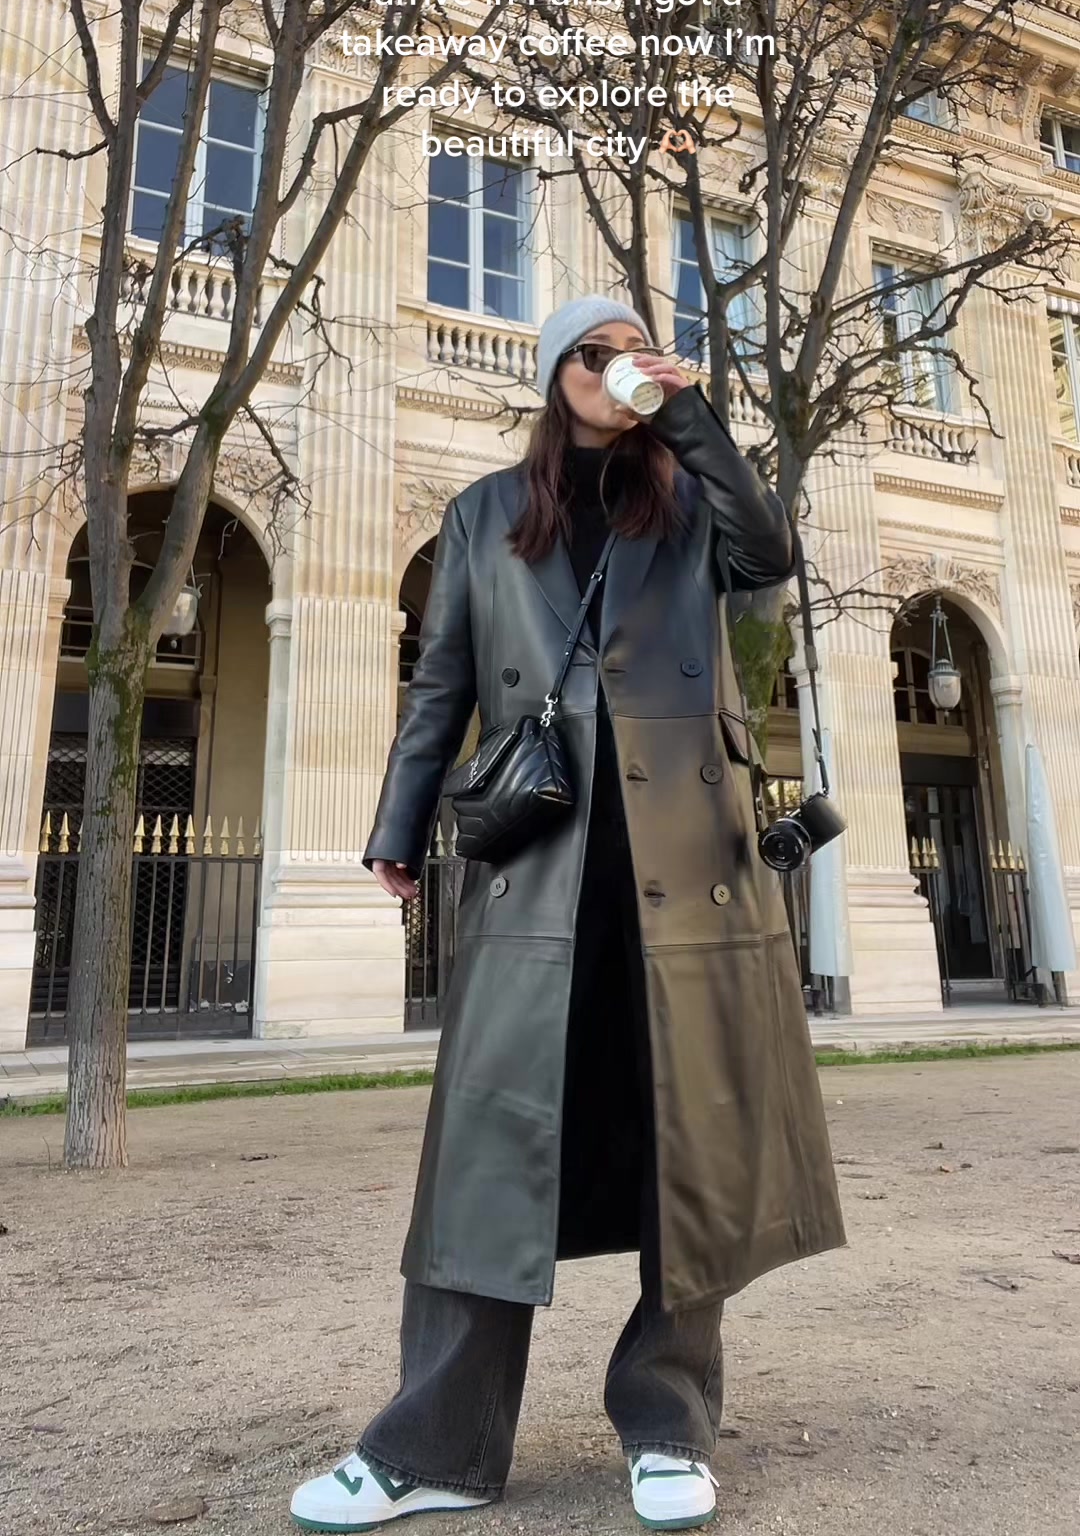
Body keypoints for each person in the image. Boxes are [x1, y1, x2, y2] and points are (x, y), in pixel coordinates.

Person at [290, 296, 846, 1534]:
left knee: (689, 1145)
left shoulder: (693, 506)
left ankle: (669, 1424)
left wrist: (691, 415)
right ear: (555, 375)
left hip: (686, 862)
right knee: (484, 1157)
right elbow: (442, 678)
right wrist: (397, 825)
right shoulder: (486, 512)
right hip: (538, 860)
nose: (616, 368)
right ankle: (434, 1444)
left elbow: (771, 555)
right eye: (594, 354)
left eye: (632, 349)